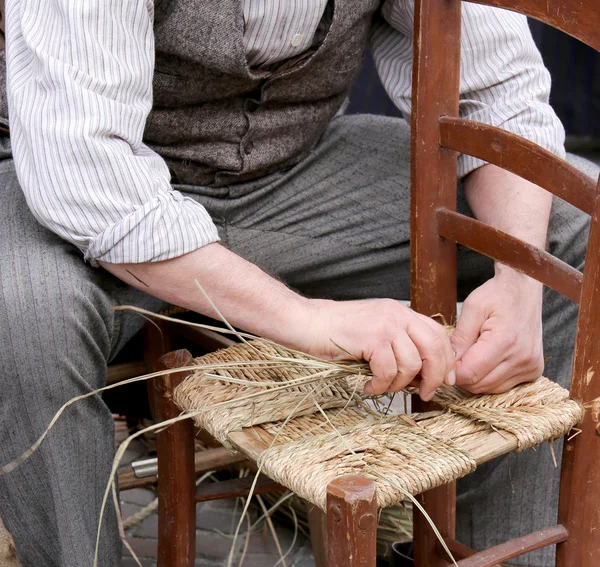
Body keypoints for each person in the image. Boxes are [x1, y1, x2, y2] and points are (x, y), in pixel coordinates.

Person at [0, 1, 596, 566]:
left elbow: (493, 91)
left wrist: (519, 277)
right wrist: (312, 320)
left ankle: (479, 555)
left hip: (289, 174)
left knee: (571, 235)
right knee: (24, 312)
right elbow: (86, 171)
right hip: (69, 186)